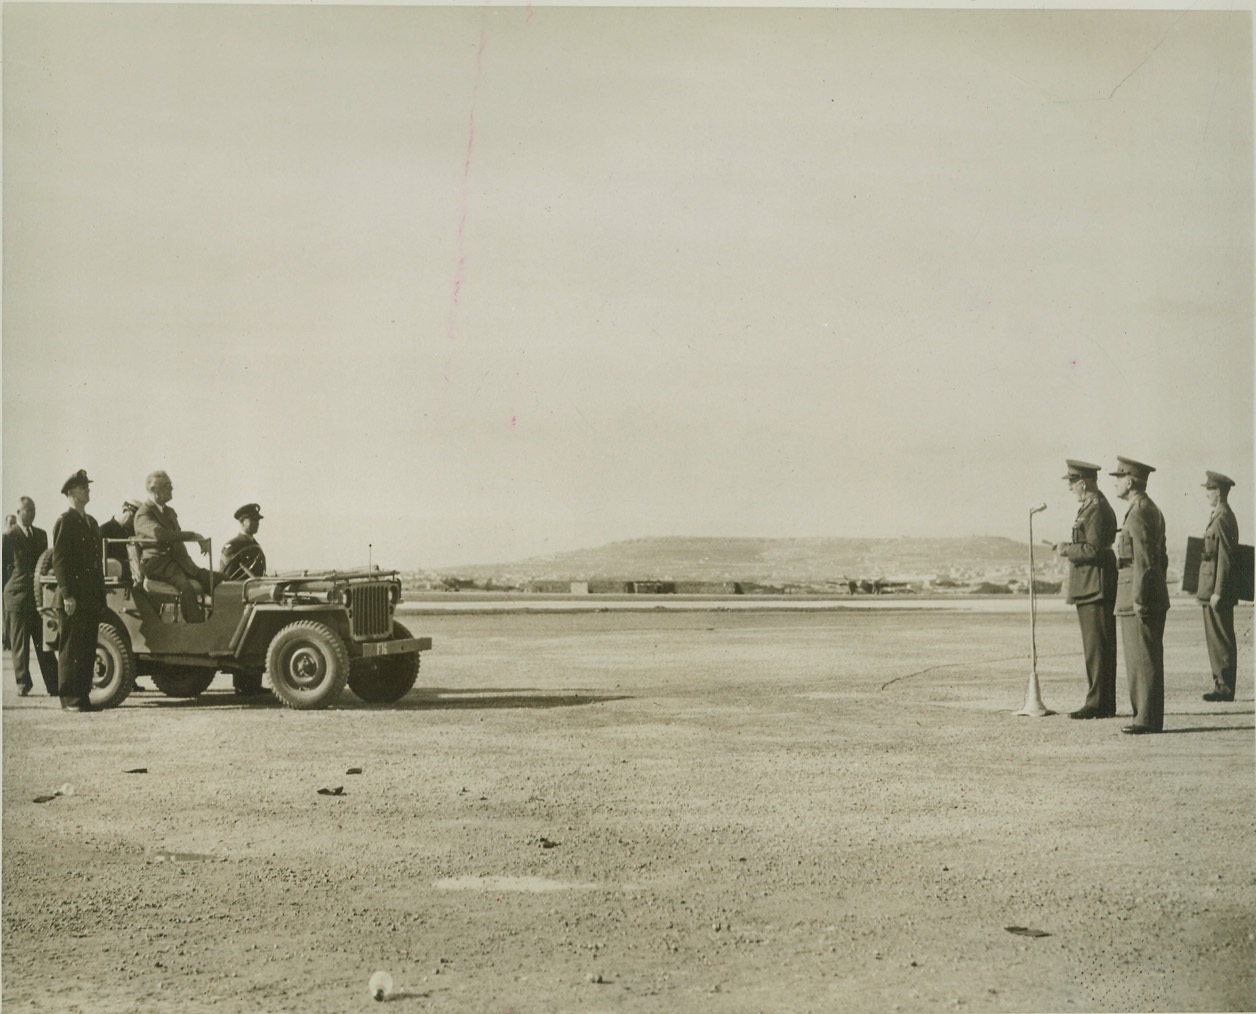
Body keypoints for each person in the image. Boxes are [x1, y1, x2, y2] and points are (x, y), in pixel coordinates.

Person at [1052, 460, 1118, 719]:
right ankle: (1102, 702)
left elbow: (1093, 549)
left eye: (1072, 483)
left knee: (1097, 648)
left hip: (1095, 586)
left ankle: (1098, 703)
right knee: (1097, 648)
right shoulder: (1091, 507)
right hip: (1090, 585)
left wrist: (1067, 550)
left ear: (1082, 482)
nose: (1070, 488)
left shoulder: (1096, 509)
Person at [1111, 456, 1169, 735]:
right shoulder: (1149, 509)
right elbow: (1161, 559)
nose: (1116, 483)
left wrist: (1141, 597)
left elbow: (1144, 560)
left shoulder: (1139, 512)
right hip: (1145, 592)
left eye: (1119, 478)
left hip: (1138, 595)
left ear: (1130, 482)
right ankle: (1146, 716)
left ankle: (1146, 718)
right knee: (1143, 657)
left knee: (1141, 658)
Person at [133, 470, 222, 622]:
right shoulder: (144, 513)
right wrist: (192, 535)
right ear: (154, 489)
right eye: (167, 485)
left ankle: (219, 622)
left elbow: (174, 536)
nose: (171, 488)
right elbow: (161, 534)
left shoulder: (169, 512)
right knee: (186, 588)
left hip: (181, 564)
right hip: (159, 566)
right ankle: (195, 629)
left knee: (221, 580)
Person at [51, 471, 105, 712]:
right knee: (71, 647)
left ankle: (82, 697)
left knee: (86, 648)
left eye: (87, 487)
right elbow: (60, 561)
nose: (87, 490)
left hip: (90, 595)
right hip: (73, 596)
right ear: (71, 492)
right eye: (83, 488)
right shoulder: (66, 521)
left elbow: (96, 562)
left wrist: (100, 596)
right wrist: (66, 594)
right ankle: (70, 699)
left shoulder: (90, 522)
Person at [3, 497, 60, 696]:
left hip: (37, 597)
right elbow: (3, 569)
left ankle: (54, 684)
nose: (32, 513)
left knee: (43, 641)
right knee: (20, 644)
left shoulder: (41, 535)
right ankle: (23, 683)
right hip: (17, 596)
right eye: (28, 510)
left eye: (34, 509)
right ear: (19, 512)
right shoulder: (9, 537)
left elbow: (45, 563)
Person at [1197, 471, 1240, 702]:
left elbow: (1226, 557)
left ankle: (1224, 687)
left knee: (1220, 637)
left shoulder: (1223, 518)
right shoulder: (1219, 515)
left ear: (1219, 493)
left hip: (1216, 590)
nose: (1206, 494)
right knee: (1216, 638)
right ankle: (1221, 684)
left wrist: (1219, 592)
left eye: (1209, 489)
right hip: (1211, 587)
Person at [219, 503, 267, 579]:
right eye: (253, 520)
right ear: (242, 522)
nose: (257, 523)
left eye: (257, 520)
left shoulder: (256, 546)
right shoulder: (232, 547)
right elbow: (226, 580)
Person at [100, 499, 141, 567]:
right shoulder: (105, 530)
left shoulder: (133, 531)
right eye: (133, 516)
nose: (134, 521)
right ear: (124, 510)